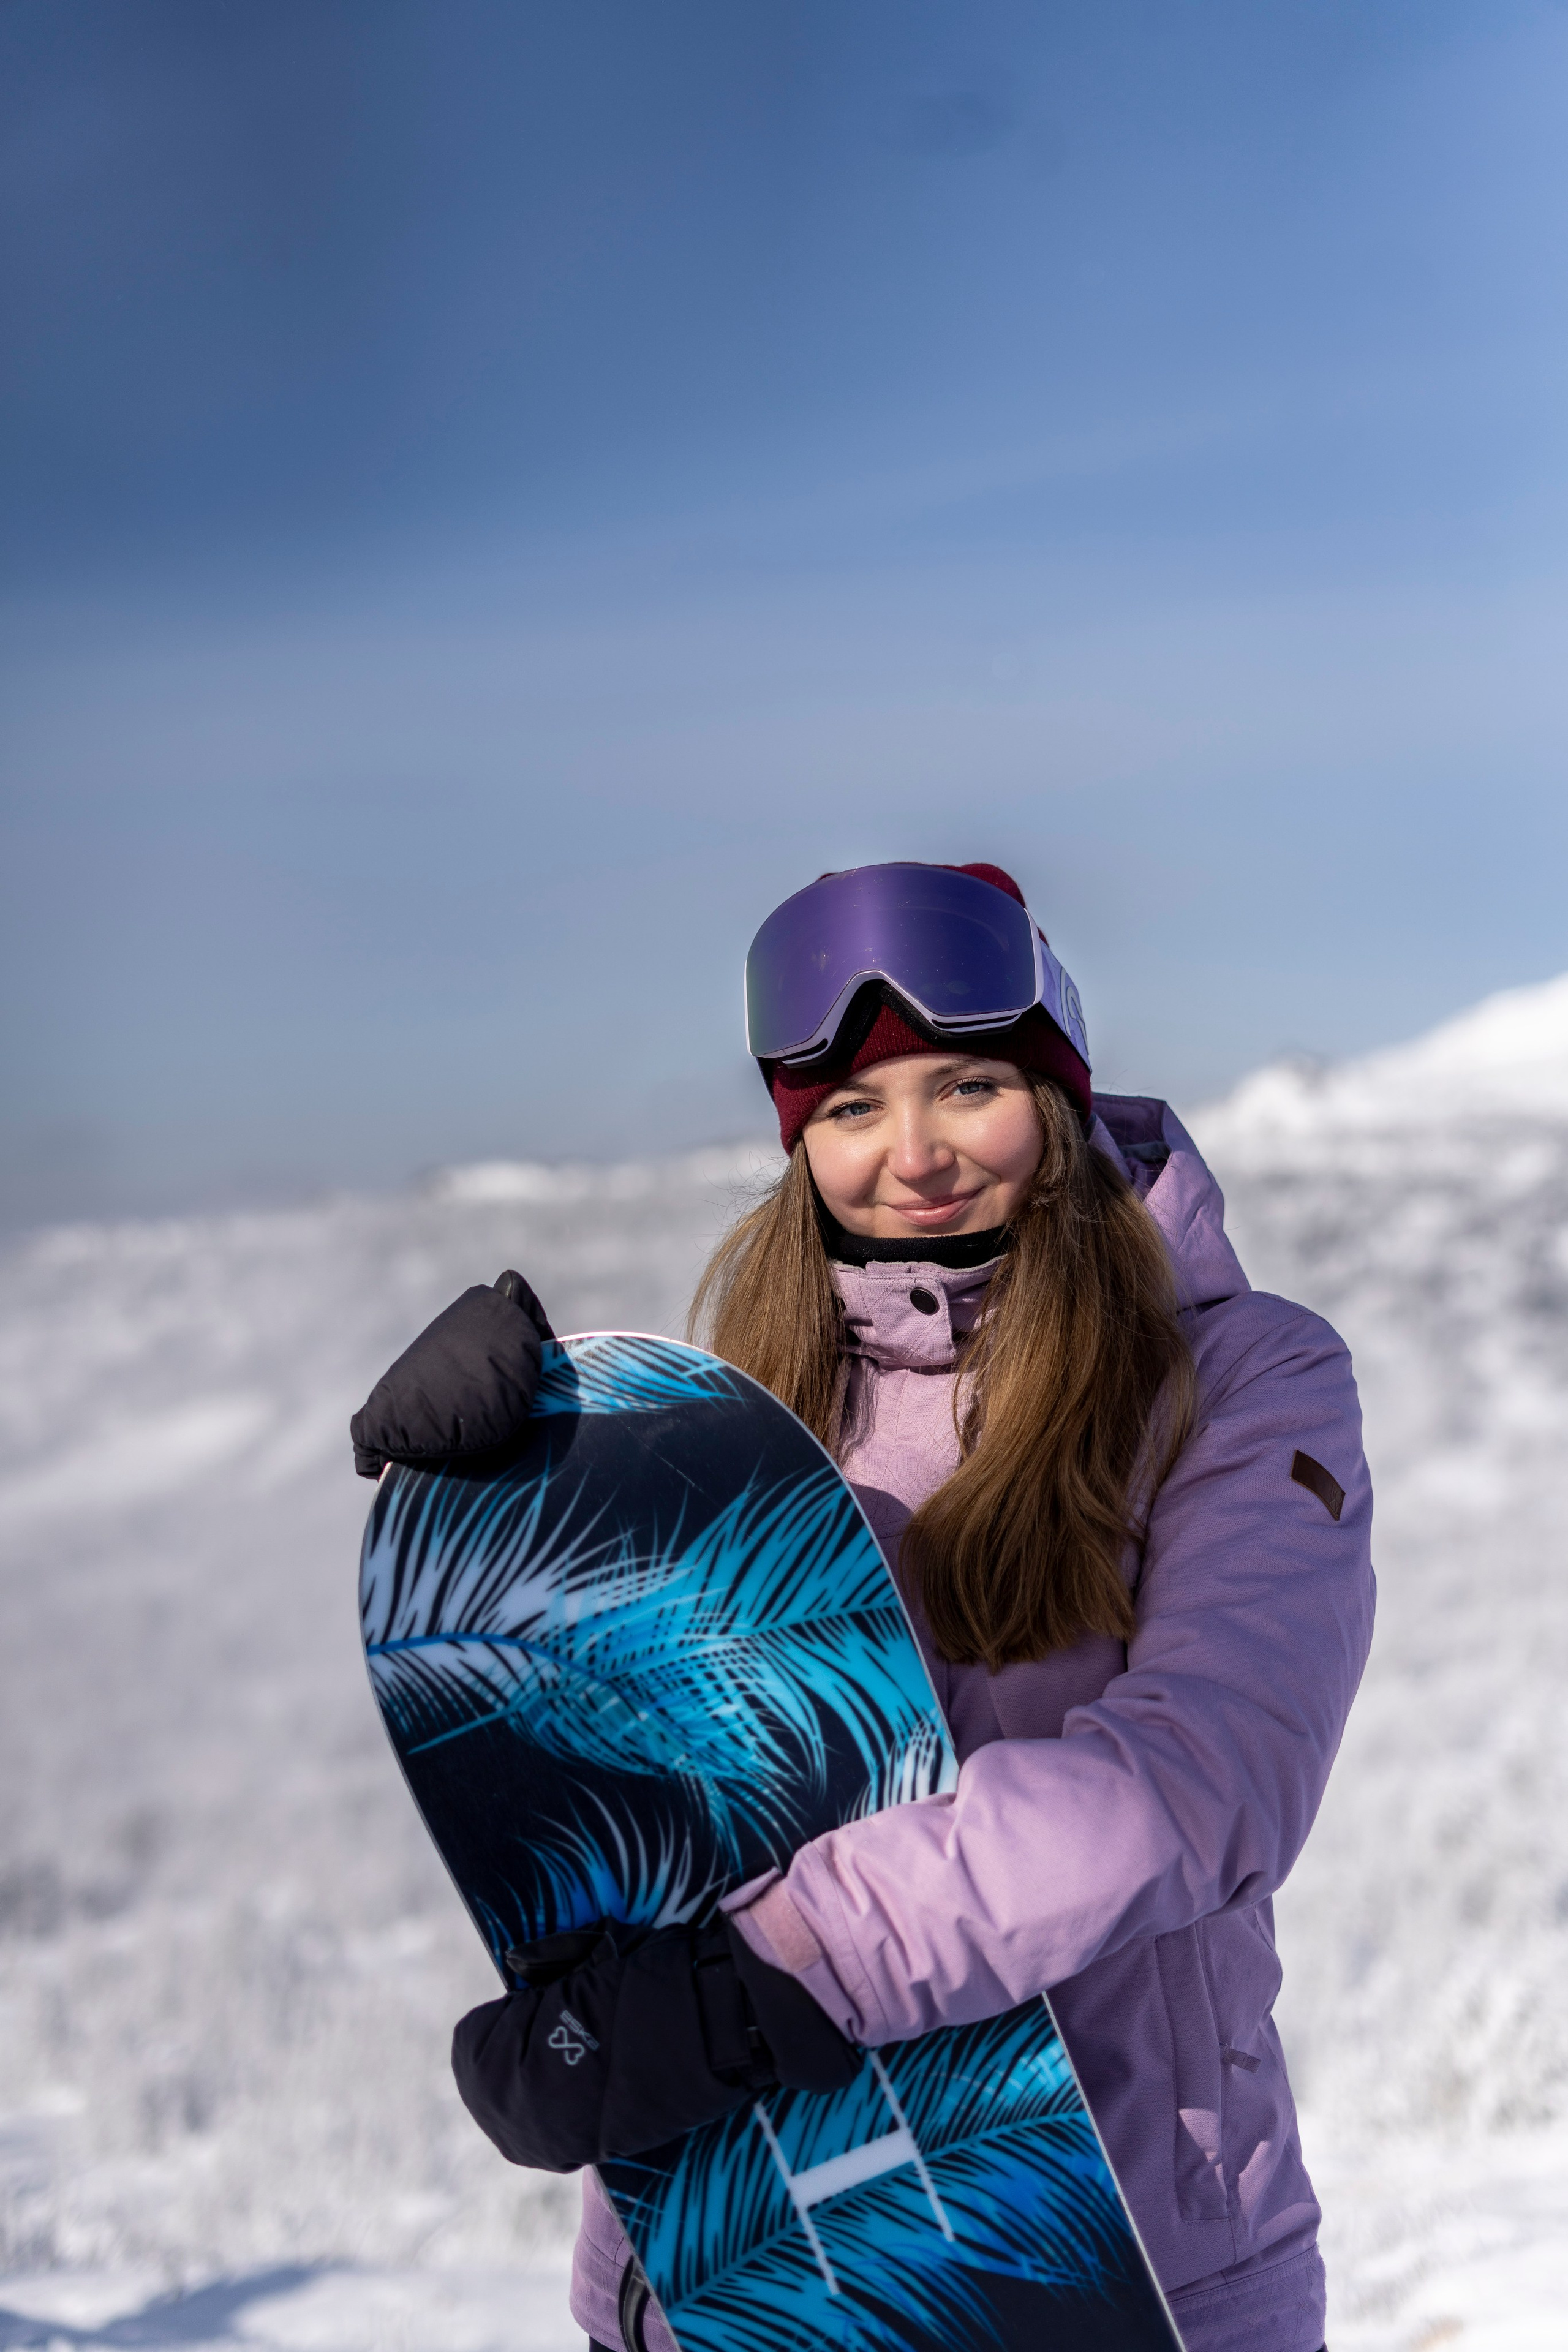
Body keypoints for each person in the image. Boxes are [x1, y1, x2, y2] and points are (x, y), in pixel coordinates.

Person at [351, 861, 1373, 2352]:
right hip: (722, 2282)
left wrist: (762, 1978)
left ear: (1058, 1088)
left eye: (967, 1086)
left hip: (1104, 2271)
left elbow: (1197, 1782)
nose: (914, 1156)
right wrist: (510, 1487)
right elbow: (637, 1794)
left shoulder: (1238, 1379)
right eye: (848, 1109)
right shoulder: (756, 1407)